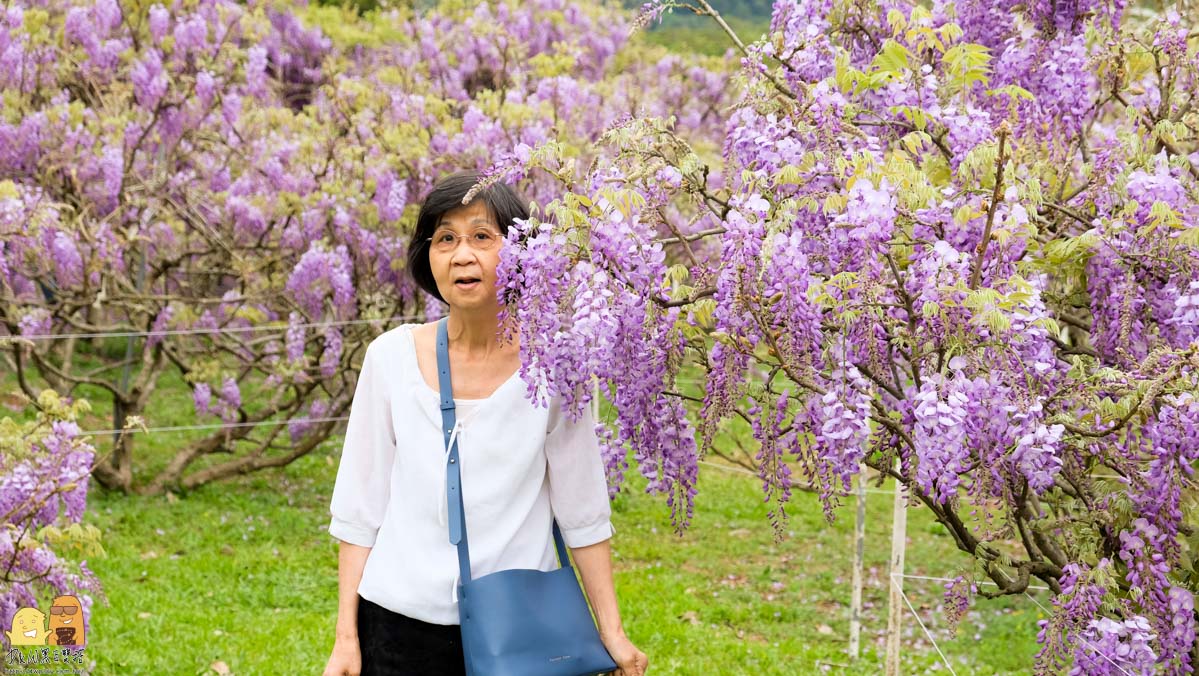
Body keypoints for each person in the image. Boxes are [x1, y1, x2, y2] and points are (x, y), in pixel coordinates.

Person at [322, 171, 648, 676]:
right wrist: (347, 640)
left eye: (482, 236)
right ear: (428, 257)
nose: (461, 254)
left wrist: (613, 631)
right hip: (398, 623)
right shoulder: (390, 359)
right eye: (445, 238)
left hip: (521, 624)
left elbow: (582, 509)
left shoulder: (556, 363)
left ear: (519, 255)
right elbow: (359, 510)